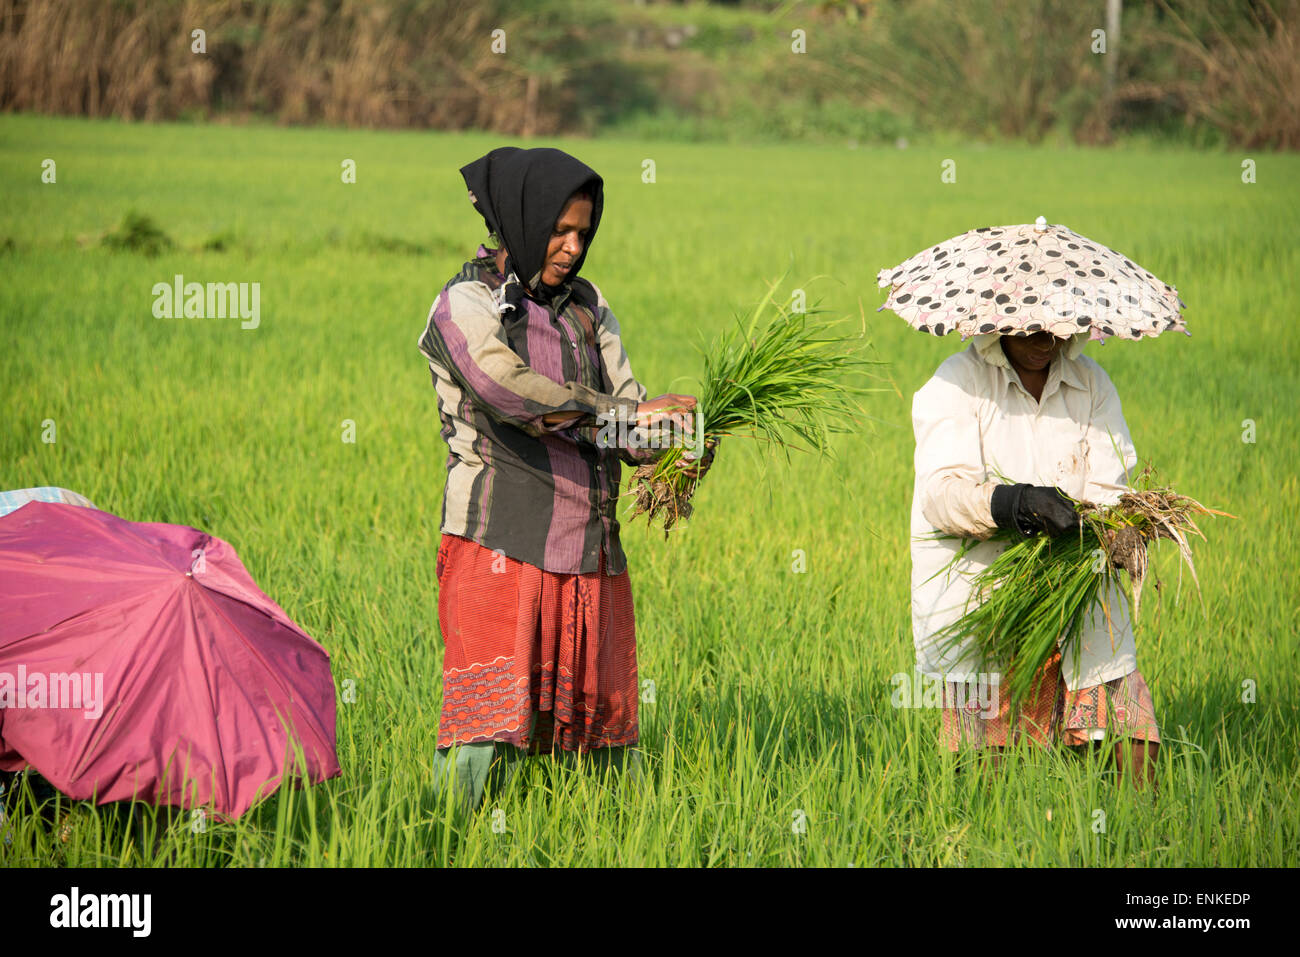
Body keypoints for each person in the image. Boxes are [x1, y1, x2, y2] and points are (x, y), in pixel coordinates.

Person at [417, 147, 710, 813]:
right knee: (483, 731)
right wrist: (623, 414)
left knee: (605, 738)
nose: (574, 247)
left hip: (589, 547)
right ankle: (439, 840)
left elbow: (628, 425)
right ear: (521, 221)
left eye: (584, 232)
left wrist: (683, 436)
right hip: (501, 541)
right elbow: (510, 391)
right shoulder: (465, 303)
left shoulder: (589, 307)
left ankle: (616, 841)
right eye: (559, 230)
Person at [910, 329, 1159, 788]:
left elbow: (1110, 484)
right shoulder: (957, 383)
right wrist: (1016, 503)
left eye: (1057, 325)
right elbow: (940, 495)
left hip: (1077, 588)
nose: (1046, 338)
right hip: (986, 589)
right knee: (990, 751)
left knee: (1126, 718)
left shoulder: (1091, 384)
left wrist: (1124, 528)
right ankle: (987, 838)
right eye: (1030, 327)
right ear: (998, 321)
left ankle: (1146, 833)